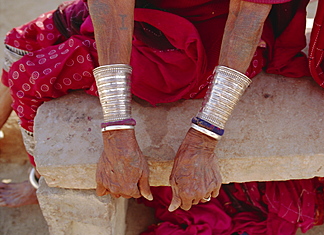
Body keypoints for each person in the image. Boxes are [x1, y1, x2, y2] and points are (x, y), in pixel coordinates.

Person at [2, 0, 308, 208]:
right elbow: (109, 8)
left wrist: (203, 141)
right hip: (135, 12)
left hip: (195, 44)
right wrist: (117, 133)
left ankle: (38, 178)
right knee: (15, 44)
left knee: (27, 74)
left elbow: (246, 19)